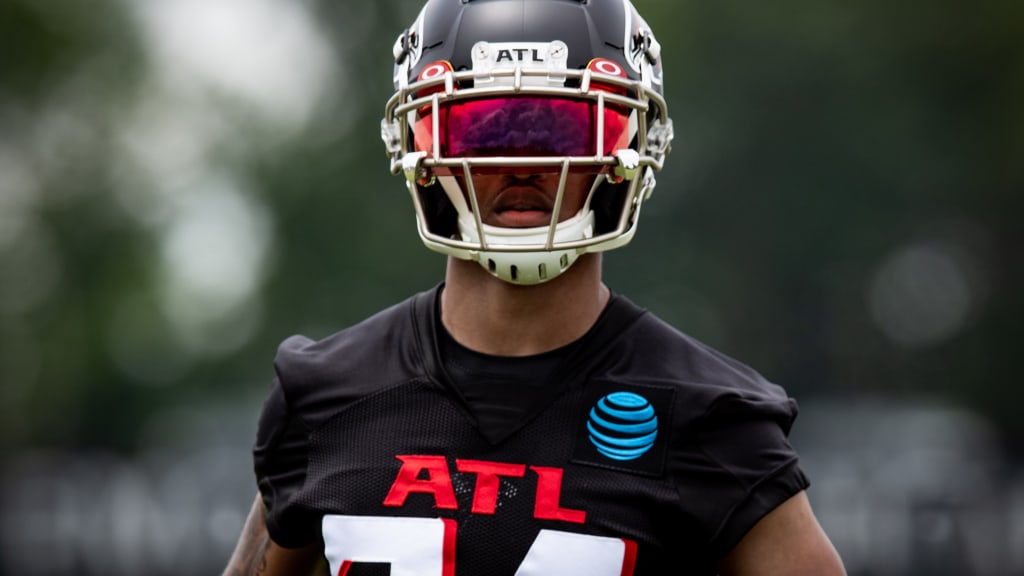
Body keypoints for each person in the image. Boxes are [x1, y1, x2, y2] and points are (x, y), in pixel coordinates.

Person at [224, 0, 847, 574]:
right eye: (483, 129)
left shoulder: (709, 417)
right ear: (423, 147)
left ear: (628, 148)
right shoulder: (326, 396)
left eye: (562, 130)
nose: (521, 164)